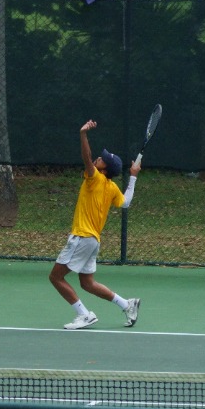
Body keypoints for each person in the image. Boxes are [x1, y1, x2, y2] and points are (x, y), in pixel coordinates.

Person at [48, 119, 141, 329]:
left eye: (103, 159)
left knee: (55, 277)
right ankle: (127, 304)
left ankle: (84, 314)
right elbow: (125, 203)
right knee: (87, 283)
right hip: (93, 241)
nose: (100, 158)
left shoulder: (96, 179)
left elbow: (87, 157)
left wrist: (83, 134)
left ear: (105, 169)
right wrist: (133, 177)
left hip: (82, 237)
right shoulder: (112, 187)